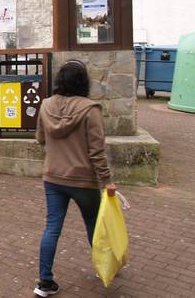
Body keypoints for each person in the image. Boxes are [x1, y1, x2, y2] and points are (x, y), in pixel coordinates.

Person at [33, 60, 116, 297]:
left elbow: (40, 139)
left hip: (53, 177)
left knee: (52, 228)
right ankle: (105, 267)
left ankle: (45, 282)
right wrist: (107, 180)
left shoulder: (46, 105)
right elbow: (97, 151)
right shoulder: (91, 109)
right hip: (83, 181)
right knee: (94, 224)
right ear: (83, 82)